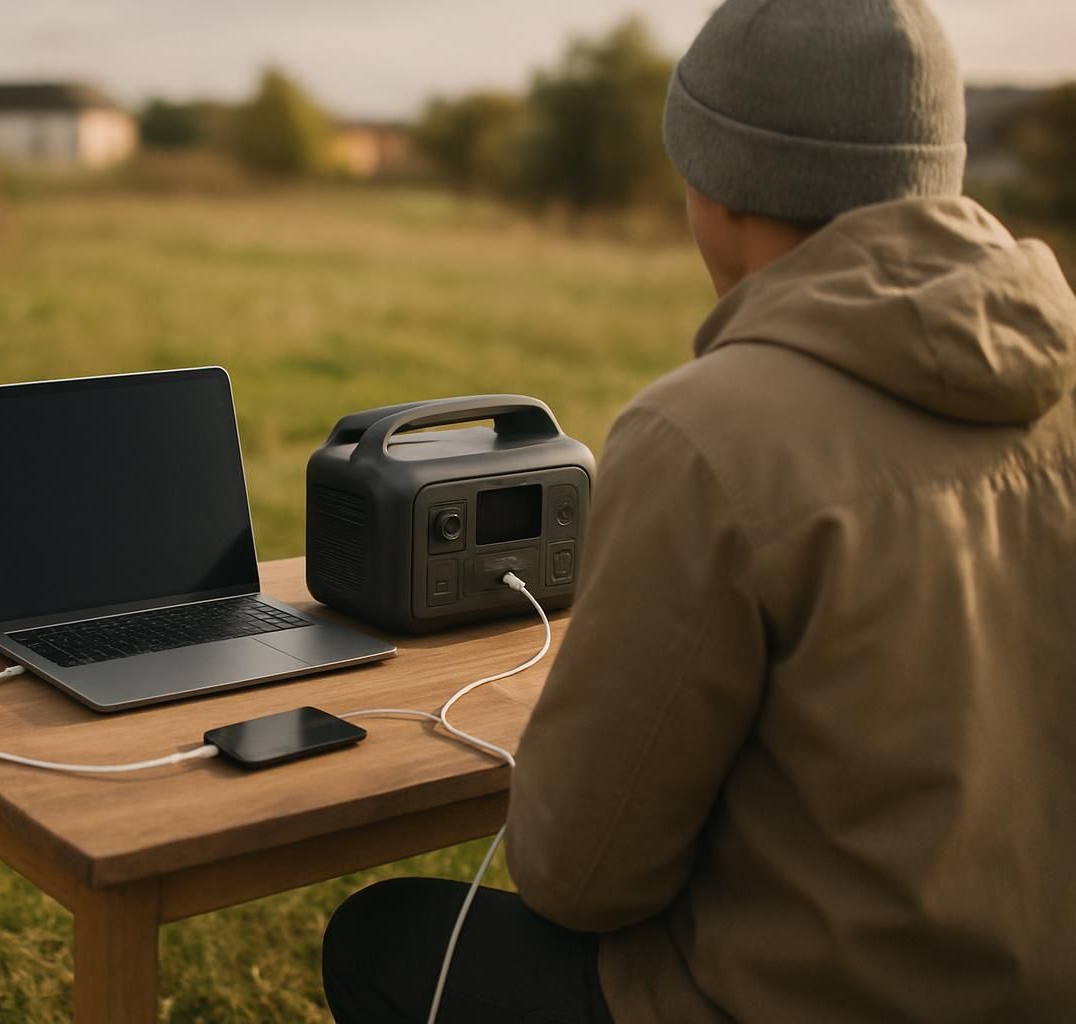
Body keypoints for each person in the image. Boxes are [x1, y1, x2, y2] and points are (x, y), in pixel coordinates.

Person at [321, 0, 1076, 1020]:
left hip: (794, 1001)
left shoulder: (706, 433)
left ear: (716, 184)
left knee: (382, 938)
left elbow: (579, 877)